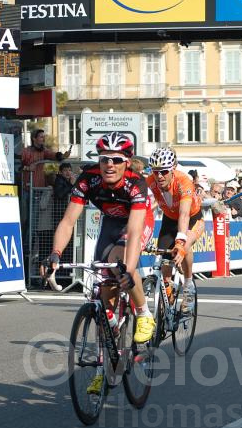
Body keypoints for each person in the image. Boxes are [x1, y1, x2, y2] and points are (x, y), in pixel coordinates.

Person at [47, 133, 156, 396]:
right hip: (110, 222)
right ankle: (105, 367)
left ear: (127, 162)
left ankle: (143, 314)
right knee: (105, 301)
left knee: (120, 263)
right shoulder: (88, 179)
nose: (109, 164)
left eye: (116, 159)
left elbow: (133, 228)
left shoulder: (136, 184)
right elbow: (68, 221)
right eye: (104, 158)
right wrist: (55, 254)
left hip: (137, 221)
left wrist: (129, 270)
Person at [145, 147, 204, 313]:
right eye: (155, 172)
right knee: (164, 260)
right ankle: (167, 296)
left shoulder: (183, 182)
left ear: (173, 169)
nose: (159, 176)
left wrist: (179, 241)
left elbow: (184, 214)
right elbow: (142, 207)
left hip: (192, 218)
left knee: (183, 247)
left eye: (163, 171)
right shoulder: (150, 181)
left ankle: (188, 285)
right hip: (169, 219)